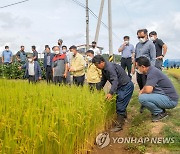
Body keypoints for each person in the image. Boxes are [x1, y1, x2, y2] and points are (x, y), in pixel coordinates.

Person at [92, 55, 134, 132]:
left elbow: (115, 81)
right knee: (119, 101)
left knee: (120, 103)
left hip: (126, 86)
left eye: (96, 65)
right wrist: (98, 89)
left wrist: (110, 93)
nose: (96, 67)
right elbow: (103, 80)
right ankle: (123, 118)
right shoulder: (104, 68)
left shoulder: (109, 68)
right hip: (121, 86)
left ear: (101, 62)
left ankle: (119, 125)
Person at [136, 56, 179, 122]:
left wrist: (141, 93)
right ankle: (161, 110)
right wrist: (141, 91)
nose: (137, 69)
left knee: (142, 98)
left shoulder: (152, 73)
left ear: (143, 67)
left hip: (171, 100)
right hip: (168, 97)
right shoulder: (151, 70)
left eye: (137, 67)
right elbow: (147, 86)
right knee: (145, 94)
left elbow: (148, 90)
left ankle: (160, 113)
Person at [132, 29, 156, 113]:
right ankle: (143, 103)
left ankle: (149, 104)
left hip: (146, 70)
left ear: (146, 35)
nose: (140, 38)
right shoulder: (138, 45)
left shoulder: (150, 44)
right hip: (139, 70)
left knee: (147, 87)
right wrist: (133, 67)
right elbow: (135, 57)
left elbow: (153, 58)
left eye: (142, 37)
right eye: (138, 37)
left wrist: (150, 70)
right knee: (141, 86)